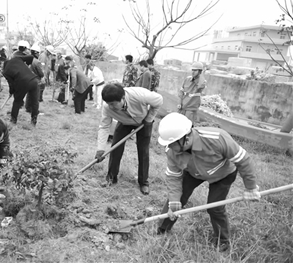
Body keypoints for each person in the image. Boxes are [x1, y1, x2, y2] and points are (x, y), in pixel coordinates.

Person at [156, 112, 260, 251]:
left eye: (171, 143)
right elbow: (173, 176)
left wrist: (251, 187)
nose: (168, 147)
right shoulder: (172, 151)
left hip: (222, 174)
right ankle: (163, 229)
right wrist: (174, 200)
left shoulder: (217, 138)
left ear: (185, 138)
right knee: (174, 200)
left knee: (214, 207)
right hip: (193, 172)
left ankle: (222, 241)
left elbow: (243, 160)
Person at [94, 83, 163, 195]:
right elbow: (104, 126)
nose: (110, 107)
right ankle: (111, 177)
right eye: (108, 104)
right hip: (124, 122)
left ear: (123, 98)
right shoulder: (107, 107)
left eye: (113, 104)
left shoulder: (140, 95)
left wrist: (149, 118)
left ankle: (143, 182)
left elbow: (159, 100)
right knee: (115, 148)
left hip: (144, 122)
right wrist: (100, 149)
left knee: (143, 151)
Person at [3, 55, 40, 126]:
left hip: (23, 82)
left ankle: (13, 120)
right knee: (34, 101)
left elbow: (11, 84)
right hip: (33, 80)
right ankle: (34, 120)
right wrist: (27, 65)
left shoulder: (6, 72)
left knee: (17, 101)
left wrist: (11, 92)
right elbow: (31, 57)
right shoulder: (17, 58)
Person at [25, 44, 45, 111]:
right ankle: (34, 110)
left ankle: (28, 107)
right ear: (35, 53)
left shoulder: (28, 60)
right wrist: (42, 75)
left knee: (29, 94)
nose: (39, 54)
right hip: (35, 80)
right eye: (38, 53)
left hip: (28, 79)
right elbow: (40, 73)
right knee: (35, 96)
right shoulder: (37, 62)